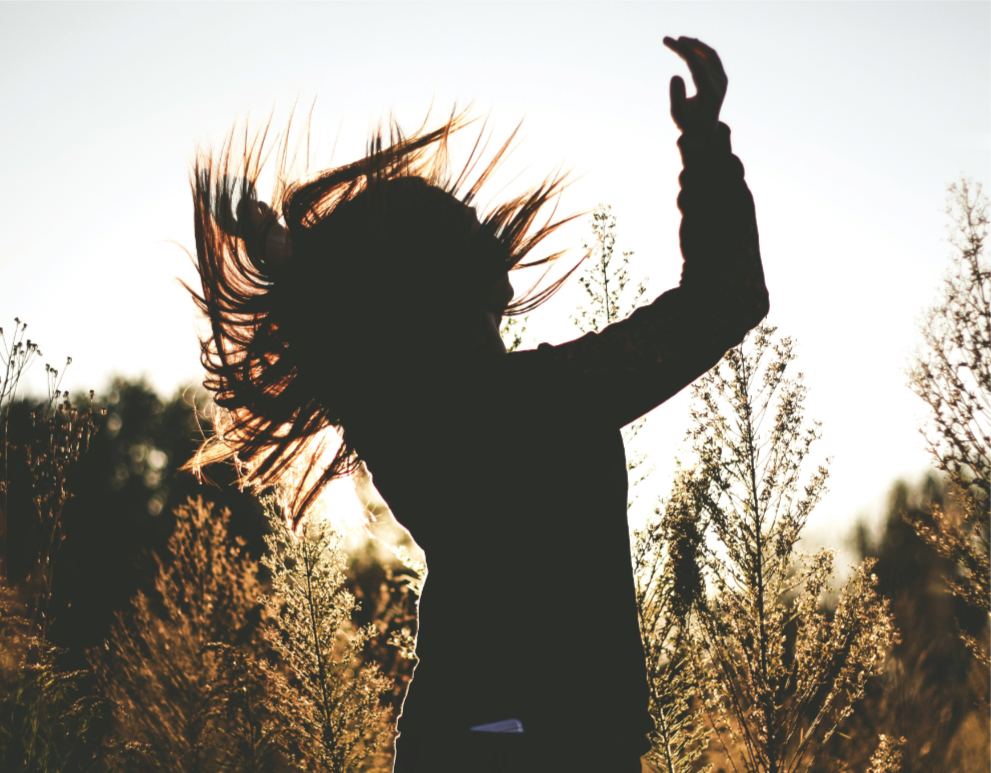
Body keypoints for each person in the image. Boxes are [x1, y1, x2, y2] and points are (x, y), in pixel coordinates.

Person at [189, 35, 768, 773]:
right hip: (549, 746)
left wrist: (293, 259)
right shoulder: (546, 399)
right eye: (454, 218)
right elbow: (727, 297)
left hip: (460, 738)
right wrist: (705, 139)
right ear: (440, 283)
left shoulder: (396, 411)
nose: (473, 212)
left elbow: (350, 327)